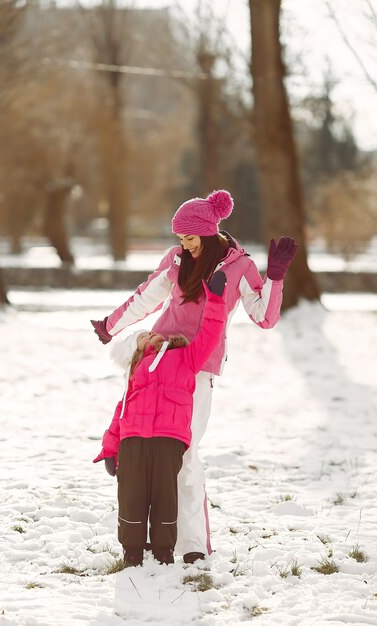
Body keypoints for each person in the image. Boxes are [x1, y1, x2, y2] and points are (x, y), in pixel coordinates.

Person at [91, 189, 297, 564]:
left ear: (208, 232)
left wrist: (276, 278)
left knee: (184, 455)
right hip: (155, 361)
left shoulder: (239, 267)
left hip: (197, 368)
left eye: (189, 237)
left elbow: (264, 317)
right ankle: (148, 540)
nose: (183, 245)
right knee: (142, 452)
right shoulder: (176, 259)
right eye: (179, 238)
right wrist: (110, 324)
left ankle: (193, 545)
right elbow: (147, 296)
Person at [92, 272, 227, 567]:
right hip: (134, 440)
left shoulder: (184, 357)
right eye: (141, 337)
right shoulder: (136, 372)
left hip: (169, 439)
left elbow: (211, 335)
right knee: (132, 497)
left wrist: (215, 302)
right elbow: (121, 411)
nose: (149, 334)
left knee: (166, 496)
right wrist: (109, 448)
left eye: (147, 332)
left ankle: (164, 550)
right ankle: (132, 551)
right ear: (136, 351)